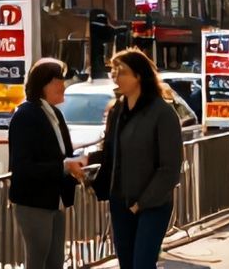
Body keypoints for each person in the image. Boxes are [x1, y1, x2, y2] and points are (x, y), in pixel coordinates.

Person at [91, 48, 181, 269]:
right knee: (127, 264)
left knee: (142, 263)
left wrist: (140, 204)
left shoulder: (162, 113)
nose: (115, 77)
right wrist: (87, 161)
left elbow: (169, 168)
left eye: (121, 71)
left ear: (138, 76)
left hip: (152, 204)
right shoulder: (117, 111)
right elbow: (111, 150)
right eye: (113, 71)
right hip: (120, 200)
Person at [9, 59, 85, 269]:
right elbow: (23, 166)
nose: (63, 84)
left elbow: (62, 154)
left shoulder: (54, 114)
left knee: (55, 262)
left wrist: (77, 162)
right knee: (38, 260)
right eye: (57, 79)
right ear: (42, 84)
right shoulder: (25, 115)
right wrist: (64, 166)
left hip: (56, 199)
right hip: (34, 201)